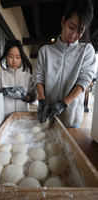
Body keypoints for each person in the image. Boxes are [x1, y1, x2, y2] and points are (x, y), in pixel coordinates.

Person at [34, 0, 96, 128]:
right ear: (63, 21)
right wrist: (42, 101)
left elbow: (84, 80)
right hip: (48, 117)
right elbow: (39, 77)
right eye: (71, 27)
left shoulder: (86, 51)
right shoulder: (45, 51)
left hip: (71, 119)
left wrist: (63, 103)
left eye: (80, 31)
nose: (73, 35)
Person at [0, 39, 37, 118]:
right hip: (4, 118)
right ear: (6, 56)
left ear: (21, 58)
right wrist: (5, 90)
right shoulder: (0, 75)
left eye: (18, 57)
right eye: (10, 56)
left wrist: (25, 97)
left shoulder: (28, 77)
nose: (14, 61)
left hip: (23, 117)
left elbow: (33, 96)